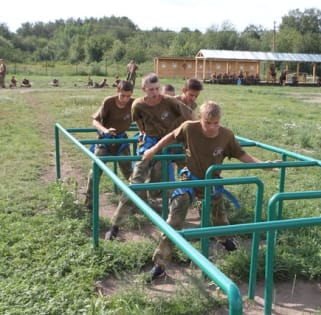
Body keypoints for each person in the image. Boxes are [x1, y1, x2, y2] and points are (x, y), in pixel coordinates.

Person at [142, 100, 267, 281]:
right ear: (200, 118)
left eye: (215, 123)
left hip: (211, 182)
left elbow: (241, 154)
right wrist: (153, 149)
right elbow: (171, 136)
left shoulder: (226, 135)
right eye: (207, 123)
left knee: (219, 218)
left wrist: (262, 165)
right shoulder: (189, 128)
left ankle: (224, 240)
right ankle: (160, 264)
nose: (211, 127)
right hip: (189, 180)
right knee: (174, 219)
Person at [104, 73, 192, 241]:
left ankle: (209, 216)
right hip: (150, 144)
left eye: (157, 88)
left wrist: (184, 137)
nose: (155, 92)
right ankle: (115, 225)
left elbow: (190, 118)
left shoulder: (170, 102)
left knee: (194, 171)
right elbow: (138, 121)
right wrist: (144, 134)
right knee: (136, 181)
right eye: (151, 89)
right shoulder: (138, 105)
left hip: (171, 144)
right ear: (144, 89)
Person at [84, 80, 135, 210]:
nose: (125, 99)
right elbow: (95, 121)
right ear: (117, 92)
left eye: (128, 96)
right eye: (122, 95)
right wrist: (105, 130)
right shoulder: (109, 102)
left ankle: (137, 203)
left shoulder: (133, 103)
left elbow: (143, 118)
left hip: (121, 141)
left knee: (131, 174)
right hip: (105, 140)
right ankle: (88, 205)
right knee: (94, 173)